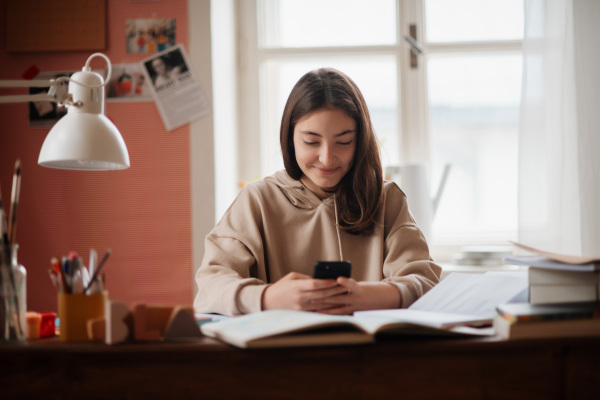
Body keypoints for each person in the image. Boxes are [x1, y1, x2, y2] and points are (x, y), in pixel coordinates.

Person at [194, 68, 441, 316]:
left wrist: (375, 295)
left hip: (367, 353)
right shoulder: (256, 200)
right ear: (290, 139)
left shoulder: (387, 200)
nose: (326, 158)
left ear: (360, 140)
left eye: (344, 142)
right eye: (311, 142)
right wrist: (267, 297)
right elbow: (210, 287)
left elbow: (426, 281)